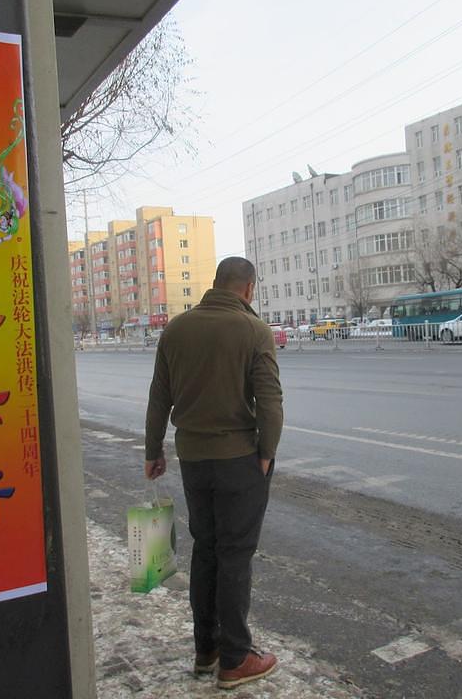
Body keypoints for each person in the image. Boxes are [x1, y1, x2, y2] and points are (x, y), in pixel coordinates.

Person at [144, 257, 283, 690]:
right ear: (248, 288)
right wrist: (266, 453)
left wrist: (153, 450)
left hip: (193, 459)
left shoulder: (176, 329)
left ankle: (207, 648)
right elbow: (270, 403)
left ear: (216, 284)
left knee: (205, 549)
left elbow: (158, 397)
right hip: (239, 458)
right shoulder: (253, 330)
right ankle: (237, 659)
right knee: (235, 555)